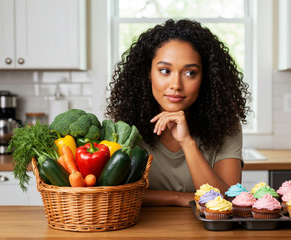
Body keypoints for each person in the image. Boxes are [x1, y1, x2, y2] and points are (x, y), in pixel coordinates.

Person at [106, 19, 251, 207]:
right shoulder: (123, 125)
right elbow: (113, 194)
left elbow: (228, 200)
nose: (176, 85)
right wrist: (180, 198)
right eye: (165, 71)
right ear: (148, 73)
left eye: (190, 73)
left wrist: (187, 143)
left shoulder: (225, 124)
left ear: (205, 77)